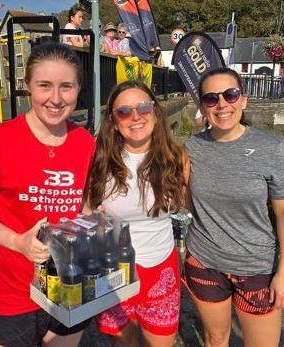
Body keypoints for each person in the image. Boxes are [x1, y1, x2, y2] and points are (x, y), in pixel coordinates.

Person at [0, 42, 96, 347]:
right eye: (44, 85)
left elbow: (84, 204)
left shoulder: (85, 142)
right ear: (28, 87)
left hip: (69, 285)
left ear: (78, 89)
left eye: (66, 87)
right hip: (14, 292)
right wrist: (17, 241)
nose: (56, 99)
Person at [183, 68, 284, 347]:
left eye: (230, 95)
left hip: (255, 267)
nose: (222, 104)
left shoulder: (270, 148)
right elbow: (183, 198)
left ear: (243, 100)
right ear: (202, 106)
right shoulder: (191, 147)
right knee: (215, 339)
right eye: (211, 99)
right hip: (204, 263)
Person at [87, 81, 188, 347]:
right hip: (114, 269)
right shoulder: (99, 160)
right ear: (113, 119)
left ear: (155, 112)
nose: (135, 116)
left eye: (143, 107)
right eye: (124, 111)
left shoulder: (177, 157)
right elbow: (83, 209)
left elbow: (192, 203)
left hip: (160, 267)